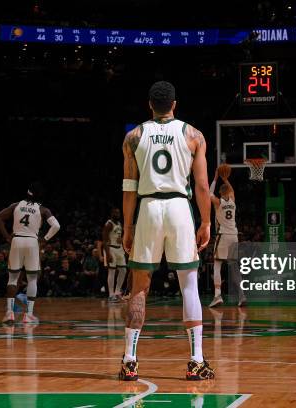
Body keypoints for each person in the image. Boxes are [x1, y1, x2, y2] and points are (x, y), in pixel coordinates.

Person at [120, 81, 215, 381]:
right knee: (188, 285)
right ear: (175, 104)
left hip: (148, 208)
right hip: (178, 208)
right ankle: (196, 361)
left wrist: (128, 225)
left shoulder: (133, 137)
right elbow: (201, 186)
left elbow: (129, 188)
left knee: (139, 287)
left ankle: (129, 360)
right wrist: (206, 221)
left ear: (150, 104)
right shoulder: (193, 135)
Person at [0, 182, 60, 324]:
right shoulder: (42, 209)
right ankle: (28, 315)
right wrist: (45, 239)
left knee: (12, 279)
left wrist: (6, 236)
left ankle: (9, 313)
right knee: (32, 279)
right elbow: (56, 226)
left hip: (16, 240)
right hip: (32, 242)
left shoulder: (15, 205)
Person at [208, 165, 245, 308]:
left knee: (217, 264)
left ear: (221, 193)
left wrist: (216, 178)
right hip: (234, 236)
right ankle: (242, 296)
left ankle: (217, 295)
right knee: (234, 267)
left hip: (223, 236)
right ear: (229, 193)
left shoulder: (218, 202)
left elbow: (209, 193)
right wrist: (226, 179)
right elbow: (232, 190)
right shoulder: (233, 202)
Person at [101, 208, 127, 302]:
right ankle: (111, 295)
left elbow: (119, 236)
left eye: (118, 212)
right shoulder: (108, 224)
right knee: (111, 271)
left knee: (123, 270)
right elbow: (104, 240)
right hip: (110, 248)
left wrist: (122, 239)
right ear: (111, 213)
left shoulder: (119, 224)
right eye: (115, 212)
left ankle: (117, 292)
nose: (117, 214)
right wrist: (107, 254)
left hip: (119, 248)